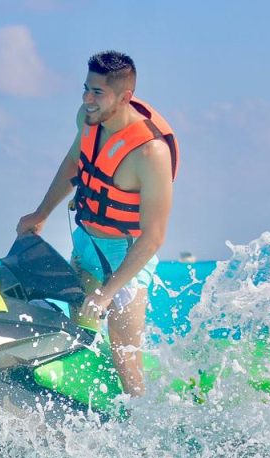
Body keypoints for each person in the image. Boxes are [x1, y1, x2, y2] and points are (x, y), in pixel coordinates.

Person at [17, 50, 178, 397]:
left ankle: (139, 427)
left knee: (125, 358)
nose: (87, 99)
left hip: (126, 259)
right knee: (81, 336)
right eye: (86, 89)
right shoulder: (88, 119)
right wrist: (41, 213)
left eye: (97, 93)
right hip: (87, 241)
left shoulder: (151, 154)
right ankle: (85, 407)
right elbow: (76, 161)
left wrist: (108, 292)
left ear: (125, 97)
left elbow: (153, 238)